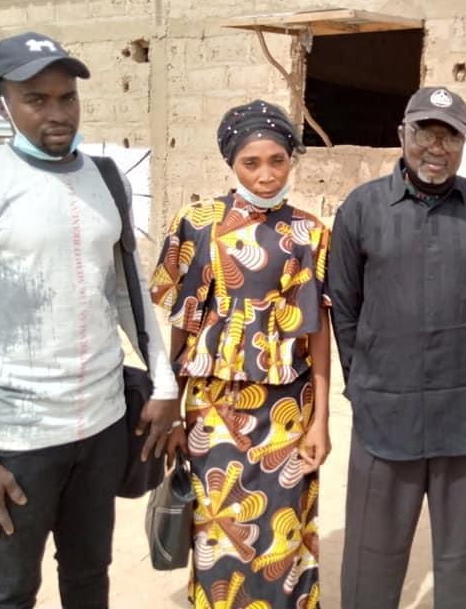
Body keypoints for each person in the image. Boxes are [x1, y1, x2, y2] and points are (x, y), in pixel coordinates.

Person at [0, 31, 180, 608]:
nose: (57, 113)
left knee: (89, 577)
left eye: (67, 97)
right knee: (9, 592)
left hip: (102, 426)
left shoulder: (106, 179)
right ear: (4, 105)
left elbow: (127, 291)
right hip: (18, 439)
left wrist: (163, 383)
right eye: (36, 99)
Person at [329, 86, 466, 609]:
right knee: (371, 558)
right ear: (401, 134)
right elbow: (344, 308)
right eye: (425, 132)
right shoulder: (361, 208)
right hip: (385, 412)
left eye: (450, 136)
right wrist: (366, 384)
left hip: (464, 412)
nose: (436, 147)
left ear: (464, 144)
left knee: (463, 560)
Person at [152, 100, 331, 609]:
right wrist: (173, 409)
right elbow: (184, 321)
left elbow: (318, 333)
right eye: (251, 163)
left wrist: (320, 422)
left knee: (282, 528)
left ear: (291, 160)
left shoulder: (310, 233)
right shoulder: (196, 222)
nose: (267, 175)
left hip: (285, 410)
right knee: (214, 526)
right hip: (210, 407)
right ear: (231, 162)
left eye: (278, 160)